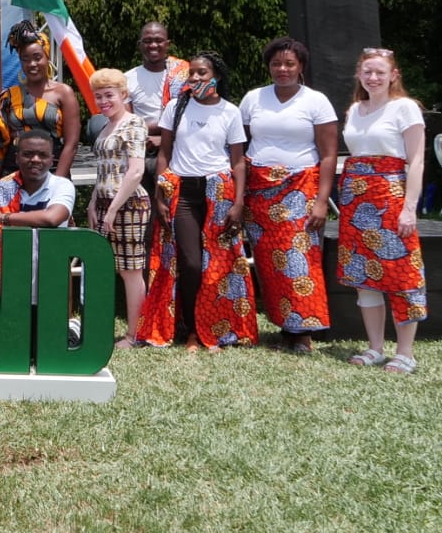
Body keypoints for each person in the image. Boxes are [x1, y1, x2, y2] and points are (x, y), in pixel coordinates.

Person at [139, 51, 256, 350]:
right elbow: (163, 153)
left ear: (215, 76)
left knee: (217, 263)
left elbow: (238, 161)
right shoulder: (175, 108)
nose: (195, 78)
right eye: (192, 73)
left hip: (218, 192)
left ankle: (214, 327)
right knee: (190, 262)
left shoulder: (229, 111)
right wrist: (160, 195)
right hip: (183, 193)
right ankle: (191, 330)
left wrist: (239, 203)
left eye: (202, 73)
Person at [238, 37, 338, 354]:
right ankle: (285, 326)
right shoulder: (253, 98)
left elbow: (329, 155)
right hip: (259, 190)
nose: (282, 69)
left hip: (300, 188)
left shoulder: (317, 102)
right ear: (268, 66)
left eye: (289, 64)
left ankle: (303, 333)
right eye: (276, 64)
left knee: (299, 258)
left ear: (301, 67)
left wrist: (322, 201)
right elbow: (236, 146)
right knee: (268, 262)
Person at [339, 48, 428, 374]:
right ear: (359, 76)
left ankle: (405, 351)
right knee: (365, 276)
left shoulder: (405, 108)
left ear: (394, 75)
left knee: (401, 273)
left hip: (391, 197)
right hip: (355, 200)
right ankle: (375, 347)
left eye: (380, 72)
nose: (373, 78)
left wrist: (409, 208)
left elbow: (416, 160)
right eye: (367, 72)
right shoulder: (354, 110)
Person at [0, 128, 77, 366]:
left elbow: (52, 218)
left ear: (52, 159)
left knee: (48, 359)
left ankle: (72, 329)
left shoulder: (61, 186)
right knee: (3, 360)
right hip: (12, 288)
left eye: (42, 155)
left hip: (50, 288)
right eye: (28, 154)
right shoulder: (3, 188)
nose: (35, 160)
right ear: (17, 157)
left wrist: (5, 218)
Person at [82, 68, 149, 348]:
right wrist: (94, 202)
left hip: (129, 203)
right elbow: (105, 171)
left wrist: (113, 209)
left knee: (130, 270)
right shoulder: (106, 126)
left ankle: (135, 335)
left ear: (124, 94)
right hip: (106, 201)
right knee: (105, 266)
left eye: (109, 95)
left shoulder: (133, 123)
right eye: (99, 96)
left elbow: (135, 172)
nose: (104, 101)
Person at [0, 20, 80, 176]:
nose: (32, 64)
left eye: (37, 57)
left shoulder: (63, 93)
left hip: (53, 173)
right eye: (25, 59)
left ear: (47, 57)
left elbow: (71, 144)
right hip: (13, 176)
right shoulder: (8, 97)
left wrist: (57, 183)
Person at [124, 21, 189, 196]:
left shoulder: (185, 75)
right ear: (140, 45)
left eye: (159, 40)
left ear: (168, 44)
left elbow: (191, 117)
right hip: (140, 151)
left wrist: (164, 138)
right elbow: (126, 122)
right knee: (144, 207)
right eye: (147, 41)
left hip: (178, 150)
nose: (153, 45)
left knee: (172, 209)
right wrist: (147, 136)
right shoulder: (127, 79)